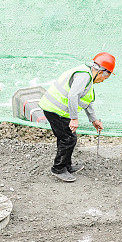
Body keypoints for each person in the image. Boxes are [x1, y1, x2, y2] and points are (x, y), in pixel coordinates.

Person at [38, 53, 115, 182]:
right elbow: (73, 96)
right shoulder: (84, 76)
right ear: (101, 71)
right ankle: (58, 169)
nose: (102, 81)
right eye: (105, 78)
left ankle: (66, 165)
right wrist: (74, 118)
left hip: (58, 110)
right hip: (55, 109)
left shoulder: (87, 76)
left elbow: (86, 100)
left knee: (67, 137)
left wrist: (94, 120)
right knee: (68, 139)